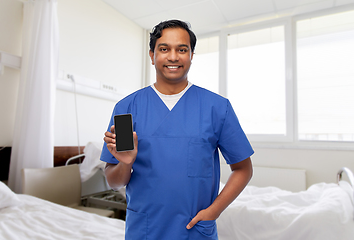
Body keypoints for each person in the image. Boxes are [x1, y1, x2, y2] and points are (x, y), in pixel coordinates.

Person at [100, 19, 254, 240]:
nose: (173, 57)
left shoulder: (217, 107)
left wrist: (214, 210)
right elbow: (114, 182)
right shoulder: (127, 108)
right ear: (152, 56)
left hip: (194, 230)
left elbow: (243, 169)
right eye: (164, 49)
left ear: (191, 56)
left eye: (182, 49)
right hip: (145, 229)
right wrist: (126, 163)